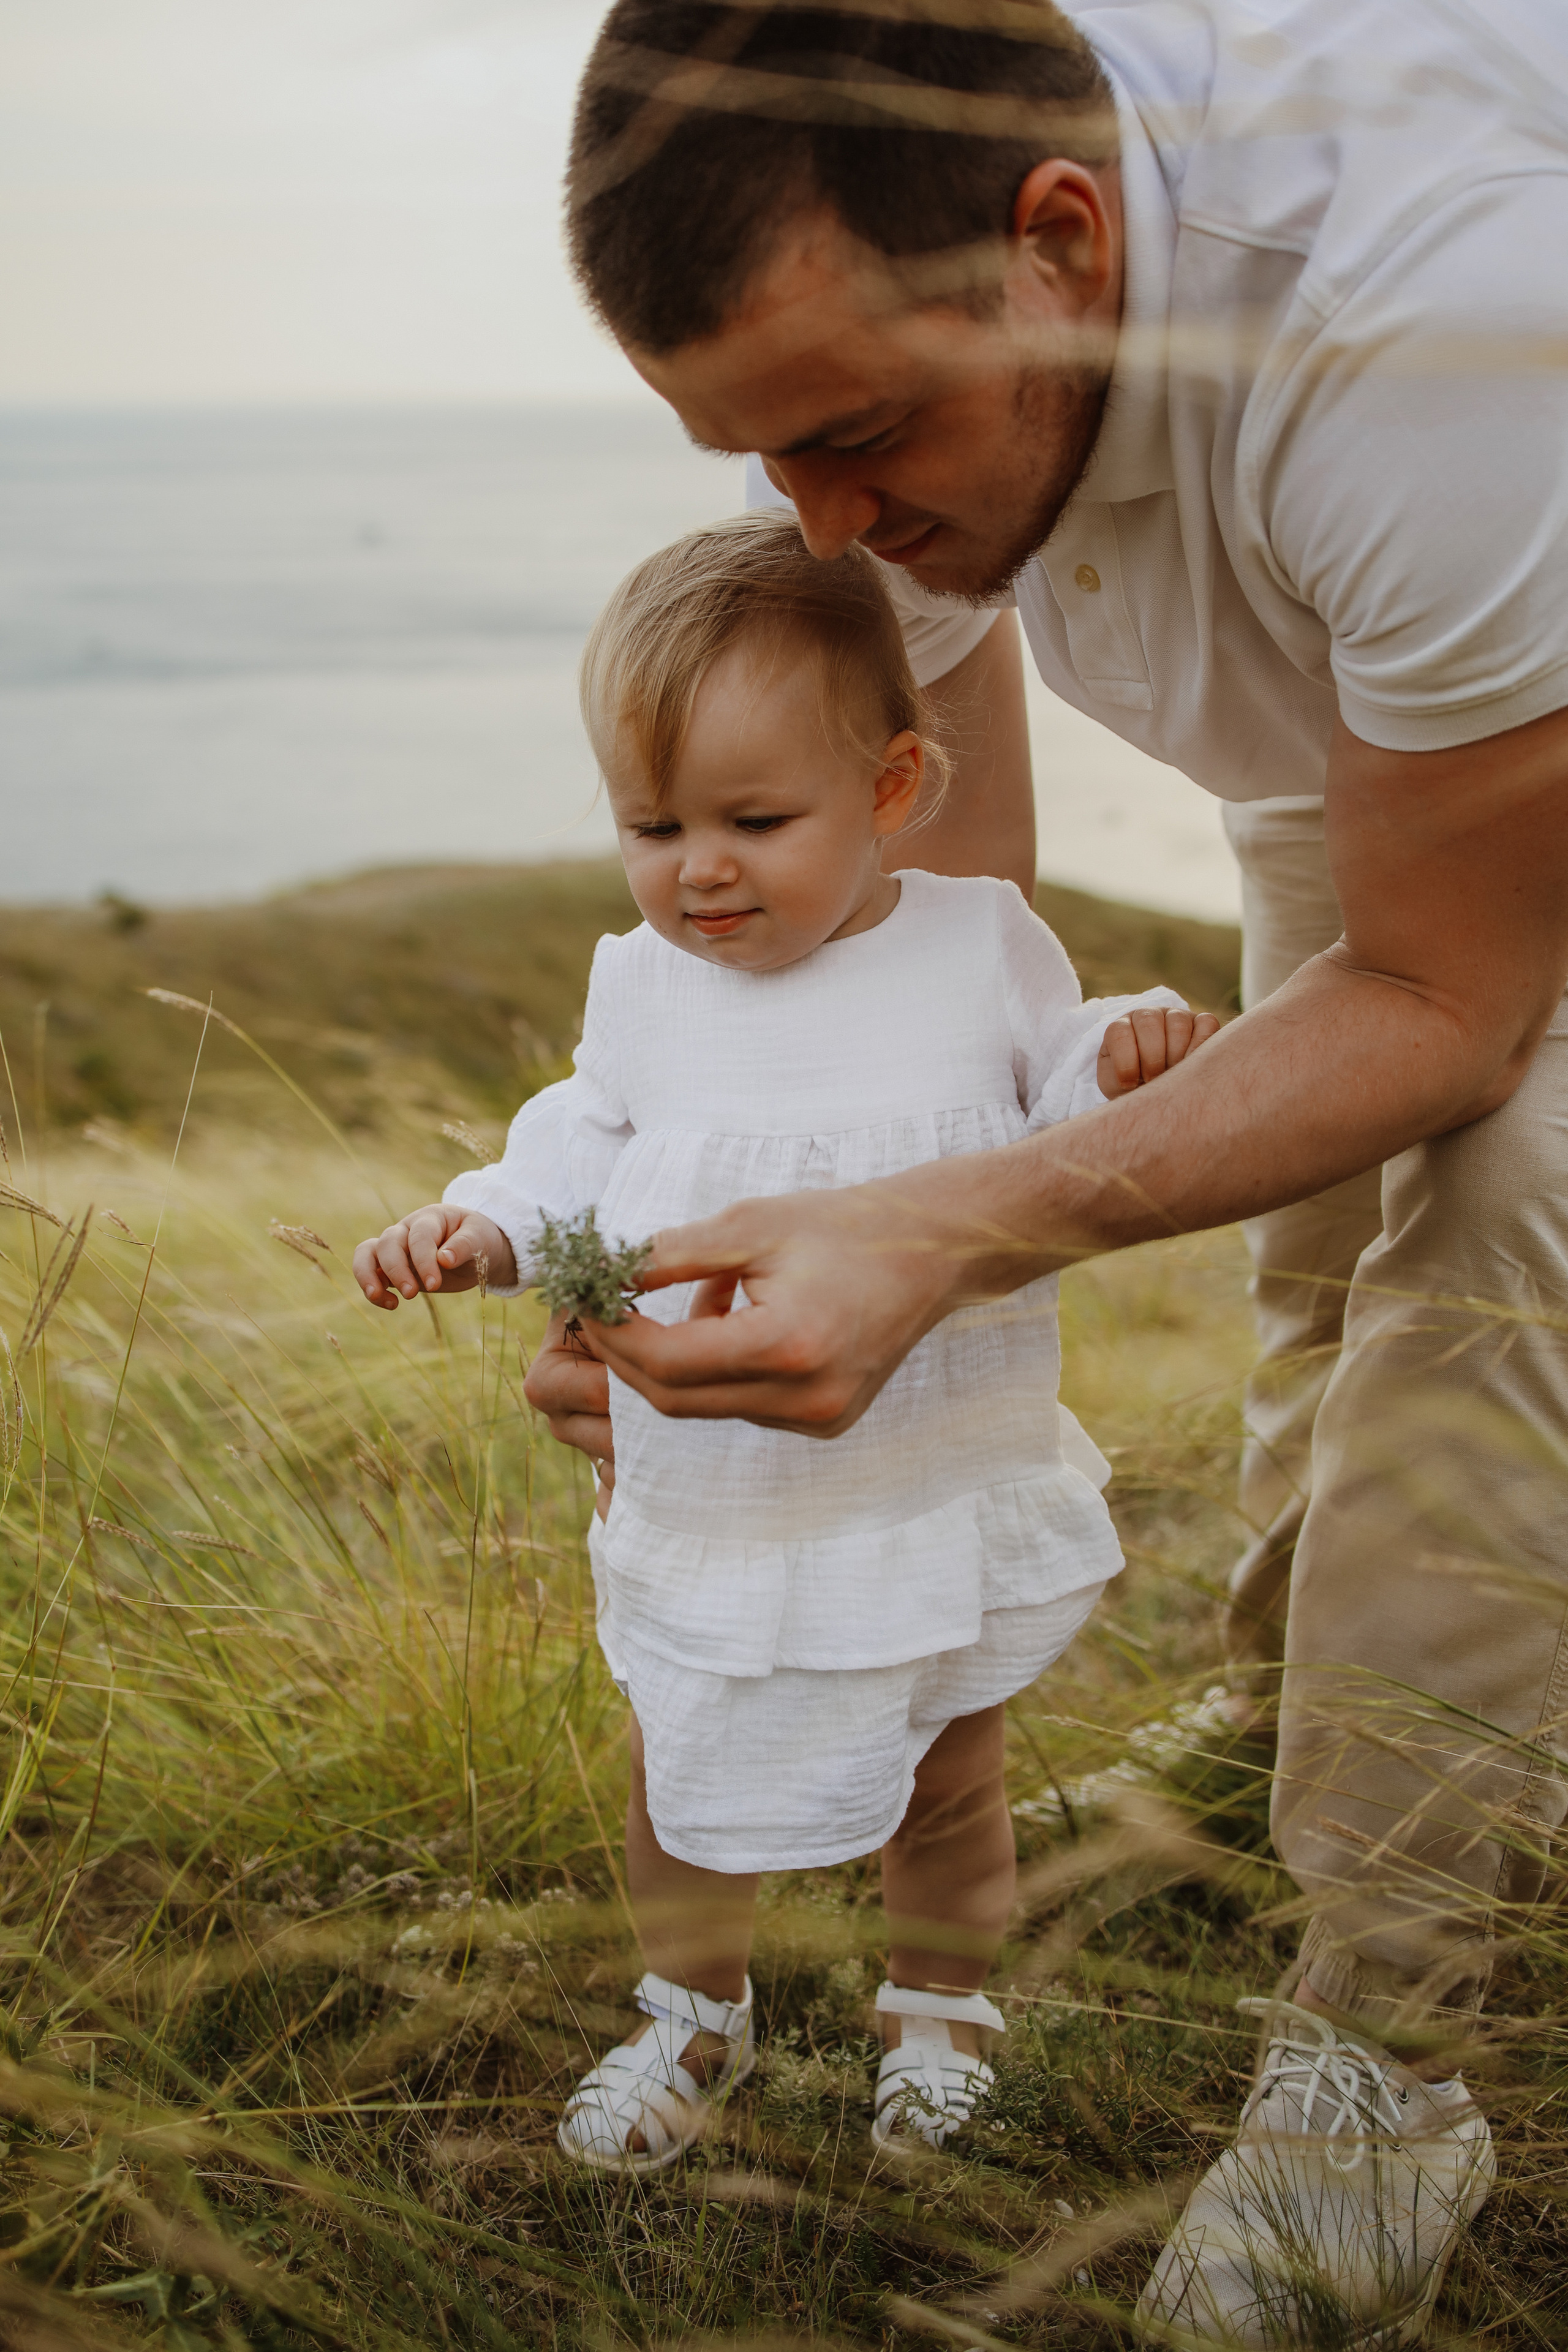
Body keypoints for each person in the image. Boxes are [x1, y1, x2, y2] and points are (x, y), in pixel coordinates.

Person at [525, 0, 1568, 2337]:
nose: (822, 538)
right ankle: (1301, 1666)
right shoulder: (904, 400)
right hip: (1374, 687)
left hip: (1527, 648)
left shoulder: (1444, 328)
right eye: (751, 456)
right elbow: (947, 954)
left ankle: (1384, 2064)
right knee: (1309, 1237)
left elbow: (1447, 999)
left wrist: (925, 1236)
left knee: (1486, 1240)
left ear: (1064, 247)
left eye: (860, 437)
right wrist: (716, 1266)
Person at [353, 511, 1215, 2173]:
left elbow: (1059, 1080)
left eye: (757, 818)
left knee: (955, 1777)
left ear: (893, 790)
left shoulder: (977, 945)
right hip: (726, 1493)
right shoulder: (647, 989)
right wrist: (480, 1227)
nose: (702, 869)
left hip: (924, 1475)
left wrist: (1130, 1048)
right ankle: (692, 2013)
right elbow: (576, 1145)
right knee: (686, 1772)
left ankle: (943, 2023)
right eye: (652, 824)